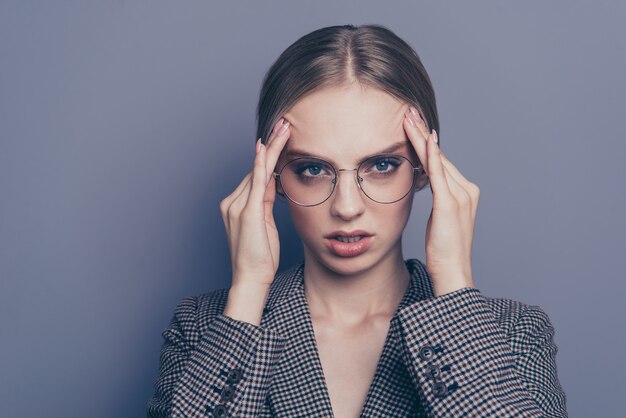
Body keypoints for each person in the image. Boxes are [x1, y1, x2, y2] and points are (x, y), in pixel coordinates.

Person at [147, 24, 568, 417]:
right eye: (313, 169)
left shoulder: (515, 333)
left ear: (425, 169)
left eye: (382, 165)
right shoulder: (203, 328)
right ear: (271, 178)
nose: (346, 207)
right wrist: (249, 293)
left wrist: (454, 280)